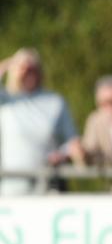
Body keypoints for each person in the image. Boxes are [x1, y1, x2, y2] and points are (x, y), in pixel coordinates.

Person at [0, 48, 85, 195]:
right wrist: (8, 64)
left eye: (32, 69)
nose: (27, 73)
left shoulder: (54, 101)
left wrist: (62, 153)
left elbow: (72, 141)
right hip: (11, 185)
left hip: (47, 183)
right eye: (24, 69)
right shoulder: (6, 100)